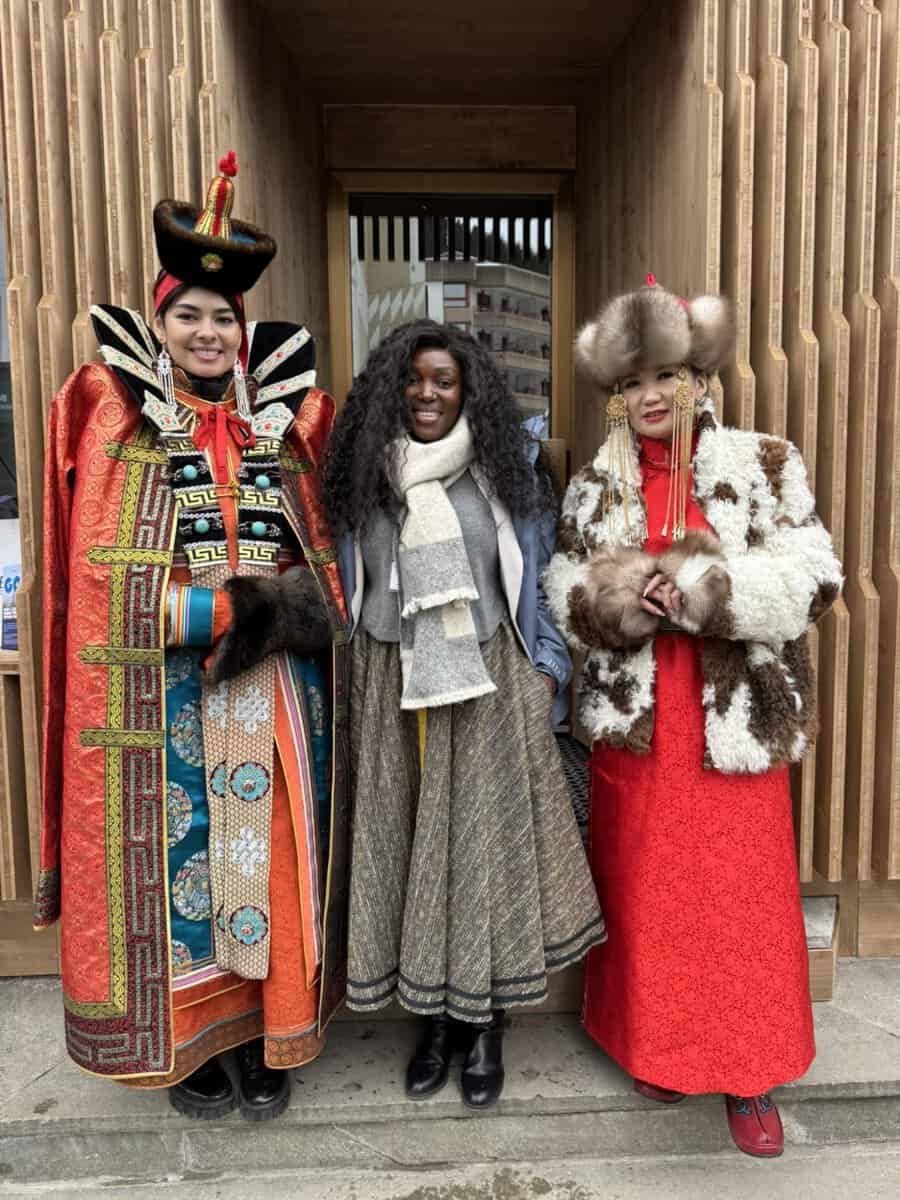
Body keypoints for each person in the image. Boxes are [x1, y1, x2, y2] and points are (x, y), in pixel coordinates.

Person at [35, 153, 349, 1121]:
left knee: (277, 863)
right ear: (161, 325)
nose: (208, 333)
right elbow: (100, 578)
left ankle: (266, 1038)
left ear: (243, 334)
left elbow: (327, 555)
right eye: (189, 316)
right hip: (170, 690)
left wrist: (291, 605)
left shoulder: (279, 430)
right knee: (188, 879)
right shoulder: (124, 429)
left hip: (275, 693)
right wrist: (210, 611)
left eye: (224, 318)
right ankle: (194, 1052)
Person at [544, 274, 843, 1157]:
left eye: (664, 375)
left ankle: (751, 1073)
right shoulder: (593, 489)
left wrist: (713, 592)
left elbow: (814, 573)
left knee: (740, 903)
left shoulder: (764, 462)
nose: (648, 397)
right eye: (630, 383)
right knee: (649, 900)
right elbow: (562, 585)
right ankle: (659, 1048)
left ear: (699, 379)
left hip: (734, 720)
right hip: (639, 727)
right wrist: (625, 598)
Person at [323, 319, 605, 1109]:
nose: (426, 392)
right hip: (390, 684)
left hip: (487, 683)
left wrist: (547, 671)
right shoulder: (362, 471)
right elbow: (344, 582)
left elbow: (545, 575)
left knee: (480, 854)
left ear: (467, 387)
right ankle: (436, 1021)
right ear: (392, 384)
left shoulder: (505, 470)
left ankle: (484, 1024)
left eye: (444, 379)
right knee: (414, 851)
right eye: (414, 378)